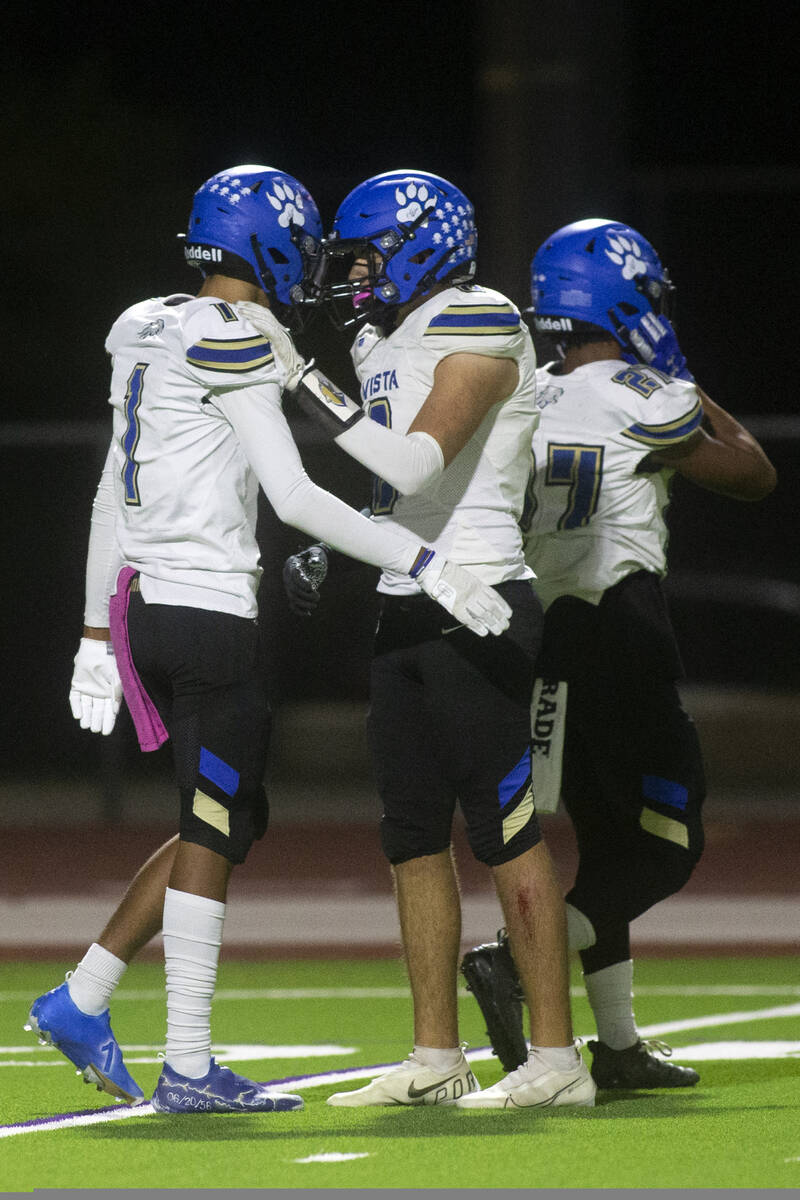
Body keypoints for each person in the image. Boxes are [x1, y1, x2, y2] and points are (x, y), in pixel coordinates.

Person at [25, 164, 512, 1116]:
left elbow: (104, 491)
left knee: (228, 820)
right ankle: (191, 1066)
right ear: (270, 243)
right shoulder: (235, 335)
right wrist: (423, 561)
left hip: (143, 606)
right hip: (205, 615)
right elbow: (294, 494)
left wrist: (93, 628)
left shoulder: (145, 323)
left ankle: (81, 998)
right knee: (214, 825)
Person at [277, 170, 595, 1110]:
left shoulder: (482, 316)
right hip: (403, 599)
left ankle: (555, 1058)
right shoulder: (390, 338)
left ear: (420, 243)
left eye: (368, 255)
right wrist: (324, 541)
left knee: (504, 828)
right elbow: (390, 490)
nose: (356, 276)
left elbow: (421, 457)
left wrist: (301, 379)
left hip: (481, 597)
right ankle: (435, 1055)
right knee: (411, 836)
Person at [459, 218, 777, 1088]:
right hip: (619, 628)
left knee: (601, 840)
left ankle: (621, 1046)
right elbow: (750, 470)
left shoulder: (523, 392)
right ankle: (518, 957)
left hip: (541, 633)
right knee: (671, 837)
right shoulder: (644, 391)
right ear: (625, 297)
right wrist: (685, 375)